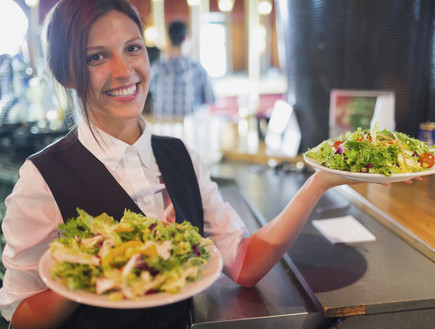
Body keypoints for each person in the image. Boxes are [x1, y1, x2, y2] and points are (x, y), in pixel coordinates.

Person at [0, 1, 418, 328]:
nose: (125, 70)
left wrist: (322, 180)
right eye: (97, 57)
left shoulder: (181, 156)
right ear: (68, 71)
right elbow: (20, 314)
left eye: (133, 48)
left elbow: (243, 263)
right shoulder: (42, 178)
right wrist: (92, 270)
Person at [149, 20, 215, 118]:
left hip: (163, 129)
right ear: (186, 38)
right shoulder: (197, 68)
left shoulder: (155, 69)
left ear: (168, 40)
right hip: (190, 130)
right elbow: (211, 99)